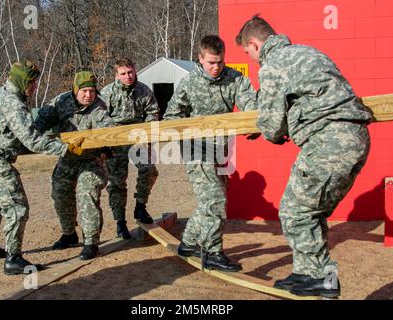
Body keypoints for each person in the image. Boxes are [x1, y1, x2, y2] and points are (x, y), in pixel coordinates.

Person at [236, 15, 372, 297]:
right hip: (355, 138)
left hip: (329, 142)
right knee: (312, 211)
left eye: (248, 53)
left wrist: (264, 129)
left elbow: (273, 126)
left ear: (254, 44)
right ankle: (308, 272)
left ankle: (322, 277)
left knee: (294, 211)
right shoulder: (310, 52)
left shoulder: (273, 65)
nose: (251, 60)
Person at [0, 60, 84, 275]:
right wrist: (64, 148)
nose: (34, 87)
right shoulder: (13, 103)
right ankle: (13, 259)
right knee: (16, 207)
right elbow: (31, 140)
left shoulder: (3, 91)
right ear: (22, 81)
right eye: (32, 83)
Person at [163, 35, 258, 272]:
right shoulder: (189, 83)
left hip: (220, 151)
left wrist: (255, 125)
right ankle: (213, 252)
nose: (216, 68)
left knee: (210, 199)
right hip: (196, 149)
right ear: (200, 58)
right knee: (215, 199)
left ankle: (187, 242)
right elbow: (171, 116)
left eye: (220, 62)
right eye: (211, 63)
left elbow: (251, 106)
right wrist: (188, 131)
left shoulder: (235, 79)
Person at [34, 71, 113, 260]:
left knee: (86, 193)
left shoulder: (99, 107)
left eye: (92, 91)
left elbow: (108, 129)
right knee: (60, 193)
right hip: (67, 158)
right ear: (75, 90)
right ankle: (69, 234)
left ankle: (90, 242)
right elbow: (40, 122)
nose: (89, 95)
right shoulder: (60, 102)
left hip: (90, 160)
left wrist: (104, 145)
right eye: (84, 91)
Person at [99, 58, 159, 239]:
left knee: (149, 169)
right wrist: (108, 140)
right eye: (123, 73)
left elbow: (153, 112)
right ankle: (120, 222)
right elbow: (100, 116)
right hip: (115, 139)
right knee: (117, 182)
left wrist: (147, 132)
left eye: (130, 72)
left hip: (138, 136)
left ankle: (140, 206)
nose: (128, 76)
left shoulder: (144, 90)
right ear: (117, 75)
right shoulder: (107, 92)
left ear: (135, 71)